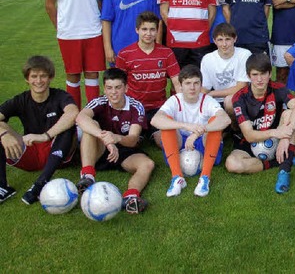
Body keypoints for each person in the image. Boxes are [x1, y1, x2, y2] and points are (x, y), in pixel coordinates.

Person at [226, 53, 295, 194]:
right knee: (232, 164)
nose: (259, 79)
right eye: (255, 74)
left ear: (270, 73)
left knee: (290, 114)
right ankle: (282, 161)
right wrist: (276, 132)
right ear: (248, 76)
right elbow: (249, 135)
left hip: (278, 136)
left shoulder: (278, 88)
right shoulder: (239, 98)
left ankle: (284, 171)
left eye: (263, 74)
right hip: (252, 140)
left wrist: (284, 135)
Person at [0, 56, 79, 205]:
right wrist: (4, 135)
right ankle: (2, 187)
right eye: (34, 76)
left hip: (57, 153)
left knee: (68, 127)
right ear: (27, 79)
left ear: (51, 77)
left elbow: (73, 112)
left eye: (43, 76)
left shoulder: (60, 96)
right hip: (31, 152)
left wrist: (45, 136)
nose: (39, 81)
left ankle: (40, 184)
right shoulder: (20, 100)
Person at [75, 68, 153, 214]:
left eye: (118, 87)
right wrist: (107, 140)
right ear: (104, 88)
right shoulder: (99, 101)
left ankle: (130, 197)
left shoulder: (136, 107)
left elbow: (133, 140)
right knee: (91, 128)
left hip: (125, 148)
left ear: (126, 88)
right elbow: (80, 118)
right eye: (109, 88)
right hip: (100, 148)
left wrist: (117, 138)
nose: (113, 92)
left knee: (148, 164)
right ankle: (87, 176)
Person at [151, 65, 231, 197]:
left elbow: (225, 120)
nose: (192, 87)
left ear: (201, 85)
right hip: (181, 143)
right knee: (167, 125)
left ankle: (205, 177)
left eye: (196, 83)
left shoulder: (207, 100)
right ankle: (177, 177)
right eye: (188, 83)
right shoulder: (175, 100)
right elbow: (155, 120)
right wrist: (186, 126)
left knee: (215, 125)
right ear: (181, 85)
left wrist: (198, 132)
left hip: (203, 144)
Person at [116, 12, 181, 147]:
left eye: (152, 29)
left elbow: (177, 82)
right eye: (144, 29)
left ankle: (153, 133)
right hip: (133, 109)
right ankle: (139, 133)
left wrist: (180, 107)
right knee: (130, 143)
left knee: (166, 143)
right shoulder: (125, 54)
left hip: (158, 108)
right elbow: (117, 85)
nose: (148, 33)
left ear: (157, 31)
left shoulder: (166, 53)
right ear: (137, 30)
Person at [200, 23, 251, 116]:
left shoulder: (244, 54)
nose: (224, 44)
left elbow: (242, 86)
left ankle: (235, 128)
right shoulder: (207, 59)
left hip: (242, 97)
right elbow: (205, 88)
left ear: (235, 39)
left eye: (228, 39)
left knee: (229, 101)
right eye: (220, 40)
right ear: (214, 41)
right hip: (216, 99)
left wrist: (212, 94)